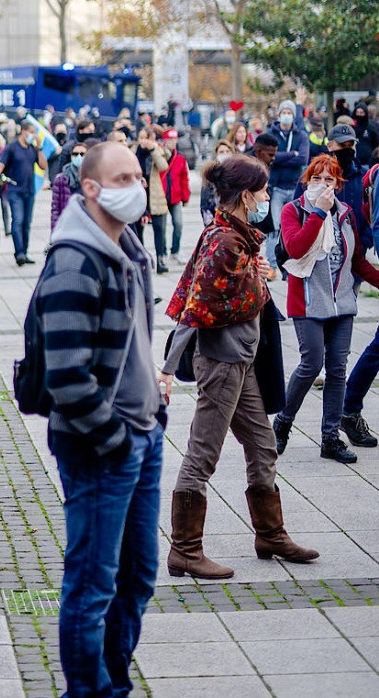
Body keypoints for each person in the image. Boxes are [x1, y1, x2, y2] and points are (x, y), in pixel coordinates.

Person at [36, 141, 162, 697]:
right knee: (92, 584)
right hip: (100, 446)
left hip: (144, 432)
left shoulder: (128, 246)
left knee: (137, 577)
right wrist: (118, 440)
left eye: (138, 173)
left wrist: (153, 403)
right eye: (122, 176)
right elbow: (66, 376)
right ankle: (88, 691)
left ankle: (114, 680)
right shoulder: (73, 259)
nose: (136, 183)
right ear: (90, 187)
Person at [161, 155, 318, 581]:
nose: (267, 197)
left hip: (242, 359)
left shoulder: (238, 237)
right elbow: (200, 305)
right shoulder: (226, 243)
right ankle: (185, 549)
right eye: (263, 191)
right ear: (246, 196)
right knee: (202, 453)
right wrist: (168, 370)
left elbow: (236, 290)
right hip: (222, 362)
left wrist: (258, 271)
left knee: (263, 442)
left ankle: (270, 534)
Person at [274, 154, 379, 464]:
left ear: (338, 184)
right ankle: (283, 422)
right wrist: (319, 212)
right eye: (316, 179)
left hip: (342, 304)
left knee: (337, 371)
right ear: (307, 181)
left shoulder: (346, 214)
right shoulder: (294, 211)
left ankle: (330, 438)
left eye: (329, 180)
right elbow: (295, 247)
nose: (322, 185)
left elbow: (357, 260)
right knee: (311, 363)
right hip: (307, 302)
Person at [0, 120, 47, 265]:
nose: (33, 135)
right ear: (23, 131)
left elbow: (43, 165)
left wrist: (39, 148)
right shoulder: (12, 148)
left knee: (27, 223)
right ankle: (19, 253)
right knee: (18, 221)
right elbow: (0, 164)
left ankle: (24, 253)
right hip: (15, 190)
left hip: (29, 190)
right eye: (31, 132)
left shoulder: (33, 148)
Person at [268, 100, 311, 261]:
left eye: (289, 113)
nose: (286, 116)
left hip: (294, 187)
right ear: (279, 115)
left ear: (293, 116)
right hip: (277, 187)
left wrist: (282, 158)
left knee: (294, 227)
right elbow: (270, 157)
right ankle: (272, 263)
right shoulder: (271, 134)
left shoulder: (301, 135)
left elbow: (303, 158)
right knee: (275, 227)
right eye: (283, 113)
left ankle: (291, 261)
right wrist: (291, 154)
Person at [131, 127, 171, 272]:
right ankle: (140, 259)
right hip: (138, 194)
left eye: (146, 138)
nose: (143, 141)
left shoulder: (158, 151)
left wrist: (153, 150)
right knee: (138, 230)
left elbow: (163, 166)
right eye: (141, 137)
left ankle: (161, 259)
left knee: (159, 228)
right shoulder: (133, 152)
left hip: (154, 195)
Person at [161, 129, 191, 266]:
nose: (173, 142)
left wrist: (186, 196)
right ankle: (162, 254)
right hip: (161, 197)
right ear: (164, 141)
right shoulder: (159, 157)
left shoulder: (180, 159)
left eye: (175, 140)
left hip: (175, 197)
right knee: (160, 227)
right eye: (170, 140)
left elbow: (184, 179)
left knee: (178, 224)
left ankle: (175, 251)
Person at [50, 141, 87, 230]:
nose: (78, 157)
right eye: (75, 154)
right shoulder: (61, 179)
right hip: (67, 224)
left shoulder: (93, 177)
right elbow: (55, 209)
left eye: (82, 154)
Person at [199, 141, 234, 225]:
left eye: (227, 151)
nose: (225, 154)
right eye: (221, 152)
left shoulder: (238, 173)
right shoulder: (211, 174)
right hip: (216, 218)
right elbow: (205, 202)